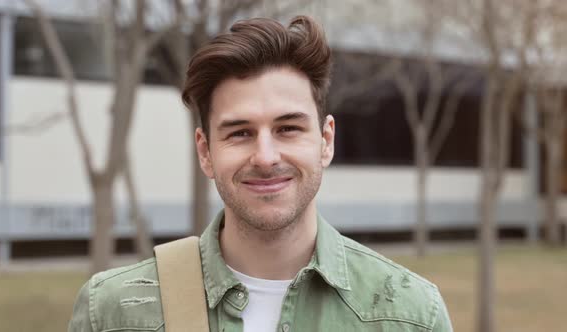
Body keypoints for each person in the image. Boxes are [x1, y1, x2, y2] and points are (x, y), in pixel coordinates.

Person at [68, 15, 453, 332]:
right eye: (240, 133)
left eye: (288, 128)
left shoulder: (412, 316)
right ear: (205, 151)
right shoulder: (112, 314)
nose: (266, 157)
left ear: (325, 141)